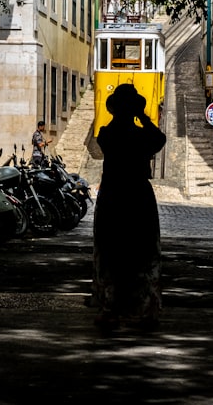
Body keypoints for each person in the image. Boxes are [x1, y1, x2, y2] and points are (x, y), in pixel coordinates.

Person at [91, 83, 166, 331]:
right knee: (142, 252)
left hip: (113, 194)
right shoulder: (142, 135)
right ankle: (143, 310)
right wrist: (142, 116)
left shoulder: (106, 133)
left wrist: (127, 114)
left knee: (111, 252)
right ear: (134, 108)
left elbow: (108, 135)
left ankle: (111, 309)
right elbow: (159, 138)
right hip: (137, 195)